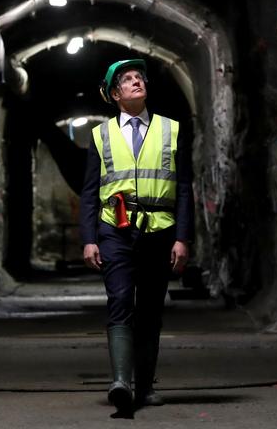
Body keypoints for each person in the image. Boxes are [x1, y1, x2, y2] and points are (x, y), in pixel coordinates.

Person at [80, 58, 195, 413]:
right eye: (127, 80)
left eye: (138, 78)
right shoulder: (100, 135)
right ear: (115, 94)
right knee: (119, 301)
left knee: (149, 310)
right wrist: (89, 238)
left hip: (158, 232)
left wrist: (183, 237)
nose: (135, 82)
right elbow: (90, 190)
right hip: (114, 230)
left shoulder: (170, 130)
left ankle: (144, 387)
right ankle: (120, 382)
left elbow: (185, 187)